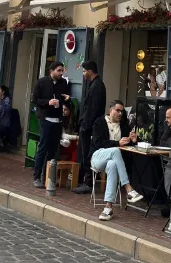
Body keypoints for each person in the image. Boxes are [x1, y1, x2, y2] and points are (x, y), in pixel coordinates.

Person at [89, 100, 144, 220]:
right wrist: (117, 143)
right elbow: (98, 143)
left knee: (113, 165)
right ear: (110, 110)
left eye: (122, 111)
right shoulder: (99, 122)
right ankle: (128, 188)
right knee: (115, 150)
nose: (120, 113)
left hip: (113, 160)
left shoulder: (124, 125)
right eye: (117, 110)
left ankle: (108, 208)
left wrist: (135, 140)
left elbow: (128, 143)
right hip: (97, 156)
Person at [31, 61, 70, 187]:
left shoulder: (63, 83)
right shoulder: (42, 82)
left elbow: (65, 98)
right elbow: (35, 100)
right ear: (51, 71)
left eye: (62, 71)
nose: (61, 73)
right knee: (43, 147)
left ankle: (47, 176)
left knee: (53, 150)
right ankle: (37, 177)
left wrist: (67, 100)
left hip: (58, 119)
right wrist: (48, 102)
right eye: (58, 70)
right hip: (45, 118)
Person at [74, 60, 106, 194]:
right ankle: (83, 180)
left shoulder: (97, 86)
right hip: (87, 125)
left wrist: (85, 125)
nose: (83, 74)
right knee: (84, 153)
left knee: (88, 153)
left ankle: (88, 182)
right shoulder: (95, 85)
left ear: (90, 71)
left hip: (89, 126)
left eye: (84, 71)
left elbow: (92, 109)